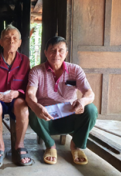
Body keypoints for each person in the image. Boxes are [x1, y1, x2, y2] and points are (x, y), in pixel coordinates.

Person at [26, 36, 98, 165]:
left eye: (60, 50)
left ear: (66, 53)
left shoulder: (75, 70)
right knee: (32, 111)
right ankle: (50, 145)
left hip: (70, 115)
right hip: (46, 117)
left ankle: (76, 145)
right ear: (45, 52)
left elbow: (89, 93)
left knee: (91, 109)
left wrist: (82, 102)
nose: (56, 54)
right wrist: (36, 106)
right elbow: (30, 93)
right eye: (52, 50)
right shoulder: (36, 71)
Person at [0, 25, 33, 168]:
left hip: (16, 99)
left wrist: (17, 93)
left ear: (20, 43)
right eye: (7, 38)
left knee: (23, 108)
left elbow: (28, 85)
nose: (11, 41)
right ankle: (0, 147)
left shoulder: (25, 61)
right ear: (1, 42)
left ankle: (19, 146)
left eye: (15, 38)